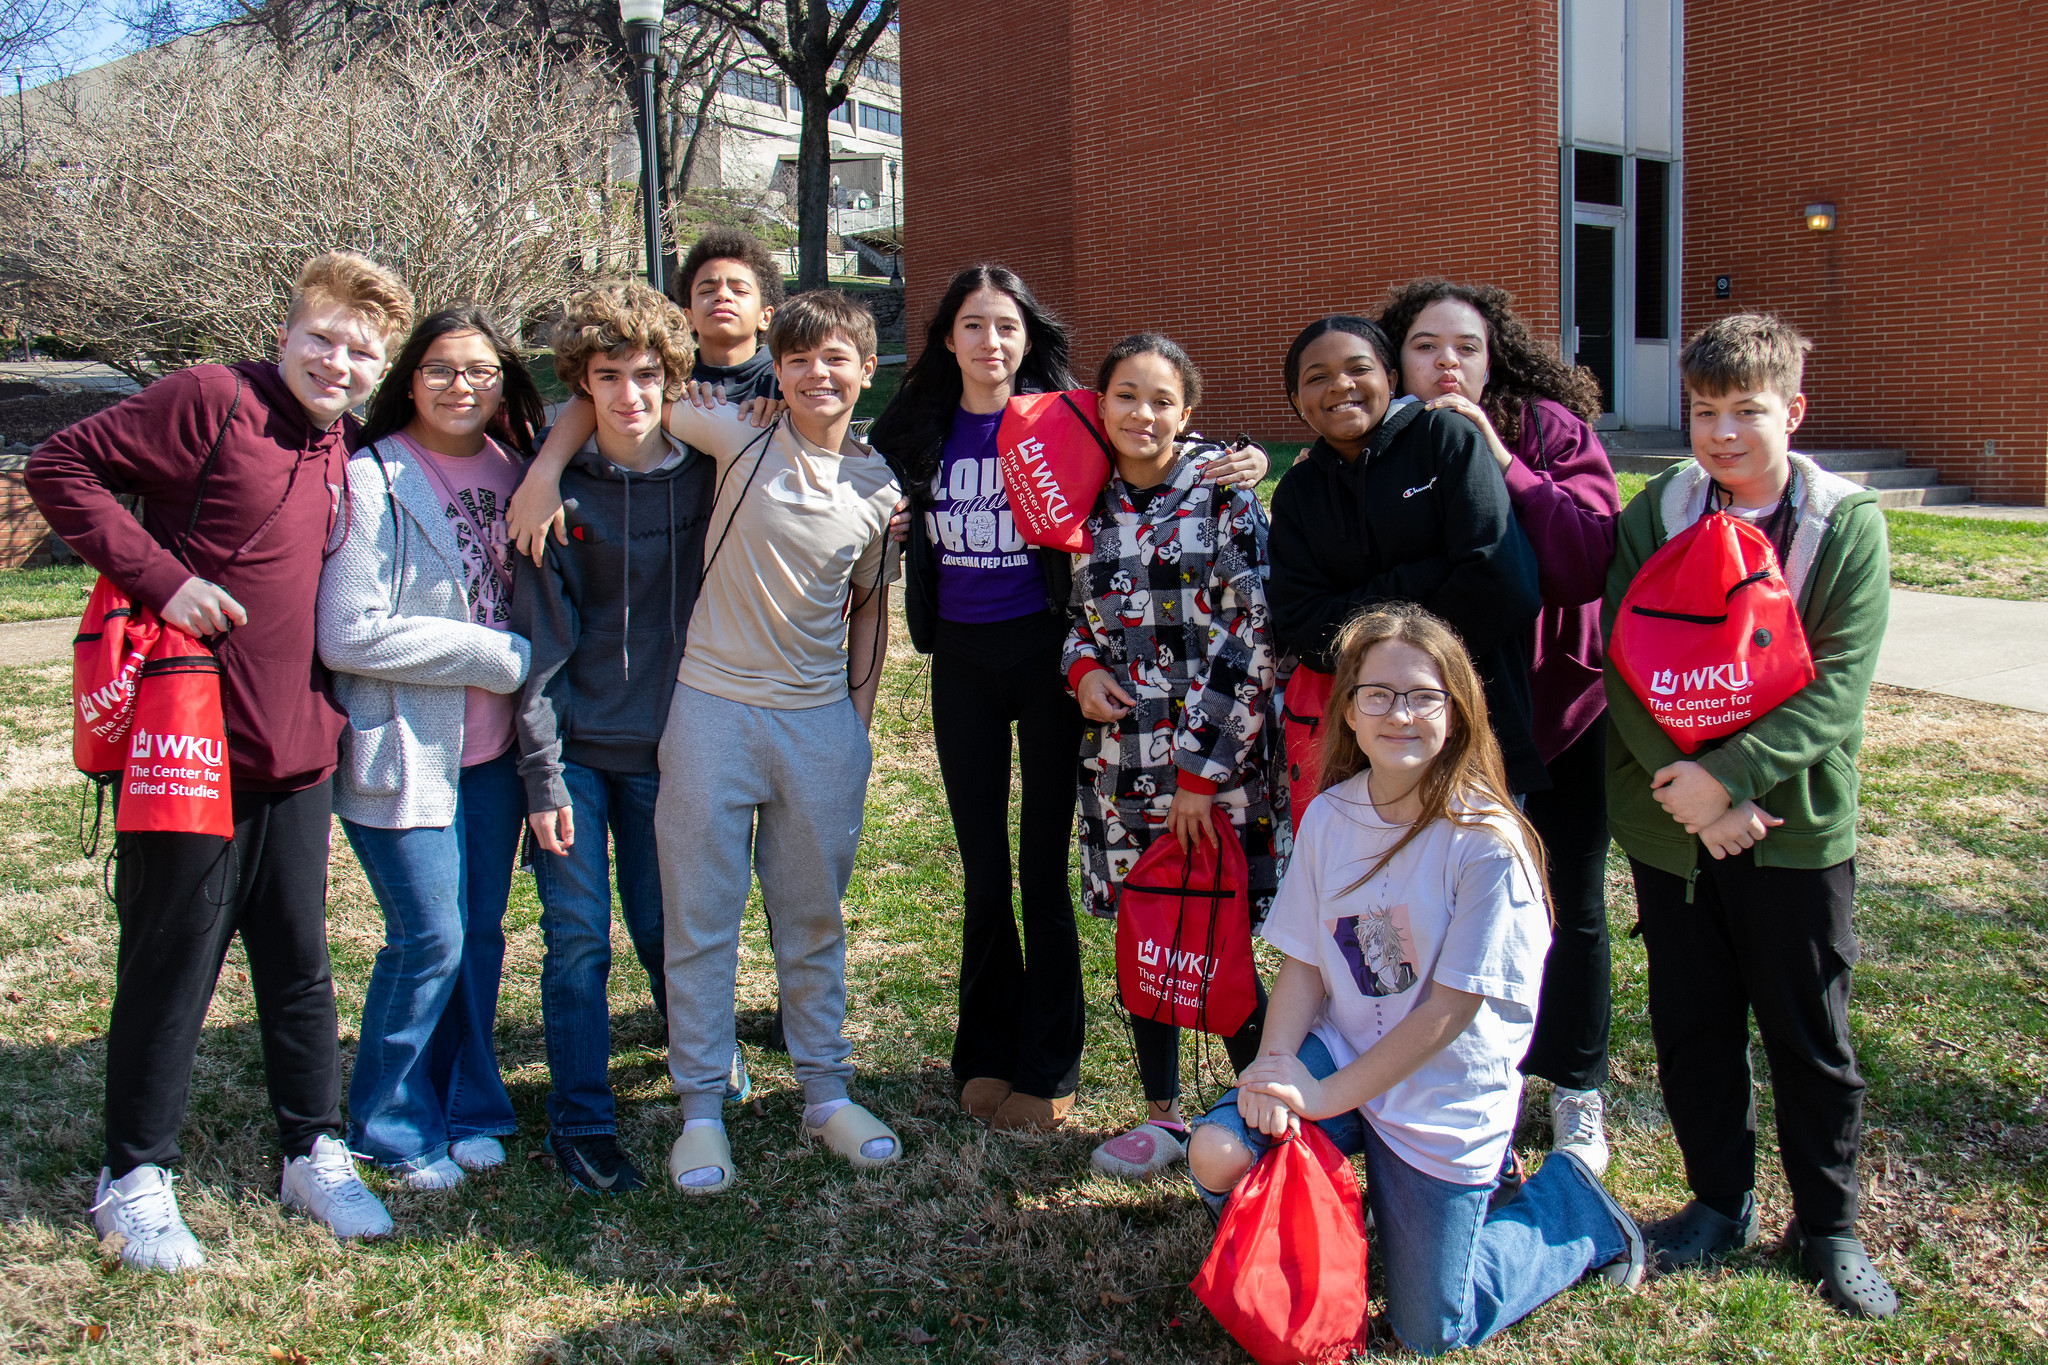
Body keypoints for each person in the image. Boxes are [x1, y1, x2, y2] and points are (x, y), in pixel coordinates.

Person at [27, 251, 411, 1269]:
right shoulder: (209, 400)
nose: (337, 361)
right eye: (321, 338)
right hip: (190, 742)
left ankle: (312, 1150)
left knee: (298, 964)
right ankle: (134, 1177)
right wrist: (164, 581)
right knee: (171, 964)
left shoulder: (345, 445)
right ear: (284, 332)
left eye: (360, 351)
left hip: (297, 750)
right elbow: (58, 466)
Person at [515, 289, 903, 1195]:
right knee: (701, 919)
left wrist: (857, 726)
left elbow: (873, 614)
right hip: (711, 710)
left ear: (865, 369)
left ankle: (825, 1090)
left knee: (812, 919)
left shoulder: (881, 487)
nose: (815, 375)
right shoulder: (737, 432)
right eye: (797, 359)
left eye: (835, 359)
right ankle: (699, 1107)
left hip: (818, 726)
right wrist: (541, 474)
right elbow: (612, 386)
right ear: (778, 365)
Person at [868, 266, 1267, 1134]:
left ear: (1027, 337)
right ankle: (983, 1049)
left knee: (1040, 866)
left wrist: (1247, 457)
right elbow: (836, 452)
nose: (990, 342)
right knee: (983, 865)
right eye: (972, 325)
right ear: (946, 338)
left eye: (1005, 326)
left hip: (1048, 653)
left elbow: (1158, 443)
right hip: (961, 662)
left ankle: (1049, 1063)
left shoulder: (1064, 417)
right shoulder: (915, 426)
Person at [1186, 604, 1644, 1356]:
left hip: (1443, 1087)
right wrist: (1273, 1070)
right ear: (1350, 715)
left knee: (1430, 1326)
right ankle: (1332, 1243)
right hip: (1342, 1051)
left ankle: (1570, 1204)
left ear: (1457, 712)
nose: (1399, 713)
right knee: (1218, 1149)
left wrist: (1326, 1097)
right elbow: (1304, 959)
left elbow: (1447, 1012)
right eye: (1378, 694)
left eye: (1422, 695)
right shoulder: (1332, 815)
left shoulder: (1487, 845)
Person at [1603, 314, 1896, 1318]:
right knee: (1692, 1027)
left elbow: (1836, 689)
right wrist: (1682, 786)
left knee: (1807, 1033)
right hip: (1670, 824)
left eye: (1745, 412)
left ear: (1792, 411)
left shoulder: (1842, 522)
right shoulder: (1659, 509)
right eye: (1702, 412)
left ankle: (1826, 1224)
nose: (1722, 435)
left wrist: (1729, 783)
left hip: (1790, 829)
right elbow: (1621, 658)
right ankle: (1715, 1202)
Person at [1380, 279, 1621, 1175]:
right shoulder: (1388, 441)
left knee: (1570, 906)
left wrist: (1503, 464)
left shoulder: (1547, 431)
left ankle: (1576, 1090)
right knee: (1456, 909)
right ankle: (1472, 1074)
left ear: (1496, 358)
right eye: (1425, 345)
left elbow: (1586, 560)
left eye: (1467, 347)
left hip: (1559, 710)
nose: (1447, 361)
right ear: (1396, 357)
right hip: (1441, 721)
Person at [316, 306, 540, 1189]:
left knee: (478, 934)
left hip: (494, 757)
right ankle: (388, 1119)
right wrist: (497, 655)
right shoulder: (374, 478)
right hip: (405, 748)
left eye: (480, 371)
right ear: (410, 378)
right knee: (428, 936)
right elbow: (347, 632)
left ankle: (472, 1103)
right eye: (442, 369)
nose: (462, 385)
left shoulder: (518, 469)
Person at [1064, 332, 1287, 1181]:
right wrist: (1081, 671)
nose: (1142, 413)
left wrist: (1201, 772)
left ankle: (1269, 1110)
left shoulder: (1224, 497)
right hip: (1120, 765)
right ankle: (1162, 1114)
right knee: (1147, 934)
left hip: (1212, 770)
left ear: (1187, 414)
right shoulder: (1085, 501)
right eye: (1126, 395)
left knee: (1216, 939)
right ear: (1101, 404)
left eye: (1162, 400)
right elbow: (1078, 624)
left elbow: (1253, 634)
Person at [511, 282, 712, 1194]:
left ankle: (702, 1079)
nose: (629, 394)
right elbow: (539, 645)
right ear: (581, 387)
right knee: (577, 940)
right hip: (577, 755)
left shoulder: (710, 472)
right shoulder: (552, 492)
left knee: (670, 928)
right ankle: (582, 1120)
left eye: (645, 374)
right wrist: (543, 775)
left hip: (676, 751)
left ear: (672, 376)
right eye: (607, 377)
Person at [1266, 316, 1545, 813]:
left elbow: (1504, 586)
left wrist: (1385, 646)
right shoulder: (1298, 493)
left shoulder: (1445, 438)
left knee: (1477, 888)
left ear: (1391, 379)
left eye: (1358, 368)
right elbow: (1305, 627)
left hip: (1474, 735)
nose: (1340, 385)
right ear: (1296, 401)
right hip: (1362, 751)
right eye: (1317, 377)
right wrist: (1428, 573)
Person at [672, 225, 785, 403]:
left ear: (764, 316)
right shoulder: (670, 383)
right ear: (689, 318)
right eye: (707, 291)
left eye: (739, 290)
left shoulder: (787, 382)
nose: (722, 295)